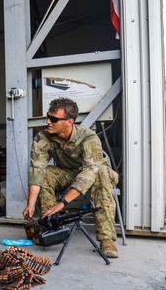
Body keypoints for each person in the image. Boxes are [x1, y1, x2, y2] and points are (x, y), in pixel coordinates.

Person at [22, 97, 119, 258]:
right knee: (46, 173)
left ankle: (106, 239)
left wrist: (63, 203)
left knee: (101, 172)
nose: (48, 122)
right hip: (67, 173)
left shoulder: (88, 137)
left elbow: (89, 171)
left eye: (53, 119)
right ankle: (51, 228)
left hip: (94, 174)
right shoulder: (43, 137)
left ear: (69, 121)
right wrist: (31, 203)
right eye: (48, 117)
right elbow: (37, 169)